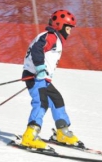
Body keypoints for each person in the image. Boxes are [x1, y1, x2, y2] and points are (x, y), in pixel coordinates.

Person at [21, 9, 83, 150]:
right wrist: (40, 68)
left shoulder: (55, 38)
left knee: (57, 100)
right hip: (36, 76)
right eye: (68, 28)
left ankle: (62, 132)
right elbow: (37, 50)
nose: (69, 32)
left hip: (43, 78)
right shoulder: (51, 36)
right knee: (41, 103)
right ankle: (30, 135)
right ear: (59, 25)